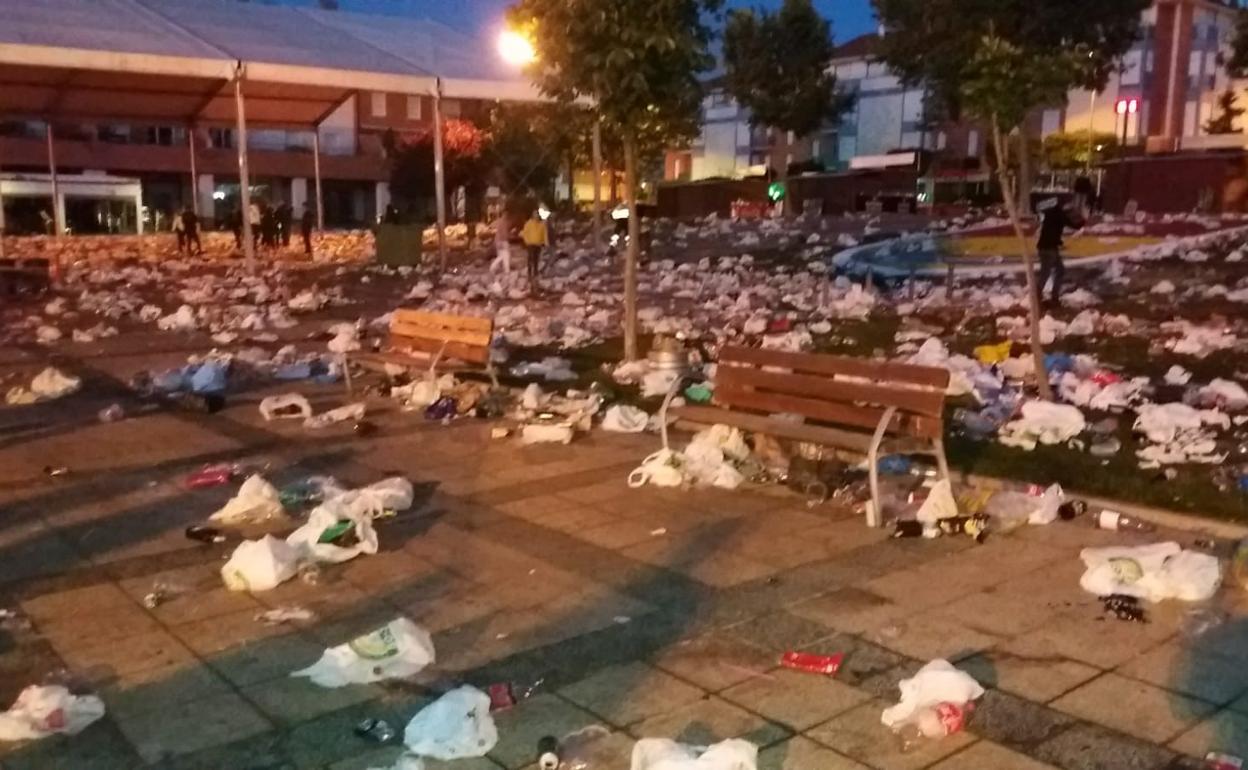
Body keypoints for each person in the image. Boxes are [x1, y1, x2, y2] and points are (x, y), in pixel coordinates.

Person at [1035, 197, 1083, 307]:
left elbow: (1049, 230)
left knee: (1056, 271)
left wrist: (1059, 242)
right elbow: (1075, 225)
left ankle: (1051, 297)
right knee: (1047, 273)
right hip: (1049, 248)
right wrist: (1083, 221)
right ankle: (1040, 297)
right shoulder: (1061, 215)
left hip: (1045, 247)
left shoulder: (1050, 213)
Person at [520, 208, 548, 287]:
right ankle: (529, 274)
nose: (536, 215)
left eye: (537, 214)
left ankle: (535, 273)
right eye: (535, 214)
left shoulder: (542, 224)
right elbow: (524, 233)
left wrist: (545, 243)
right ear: (532, 215)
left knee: (536, 259)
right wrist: (527, 242)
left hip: (538, 244)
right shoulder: (528, 223)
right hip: (530, 244)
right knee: (530, 259)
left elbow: (544, 234)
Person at [489, 210, 512, 274]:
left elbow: (491, 226)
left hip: (498, 241)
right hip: (503, 241)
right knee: (506, 255)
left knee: (502, 256)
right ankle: (505, 269)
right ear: (503, 214)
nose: (507, 215)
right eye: (506, 214)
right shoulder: (504, 222)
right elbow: (504, 233)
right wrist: (509, 236)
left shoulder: (498, 221)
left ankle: (505, 269)